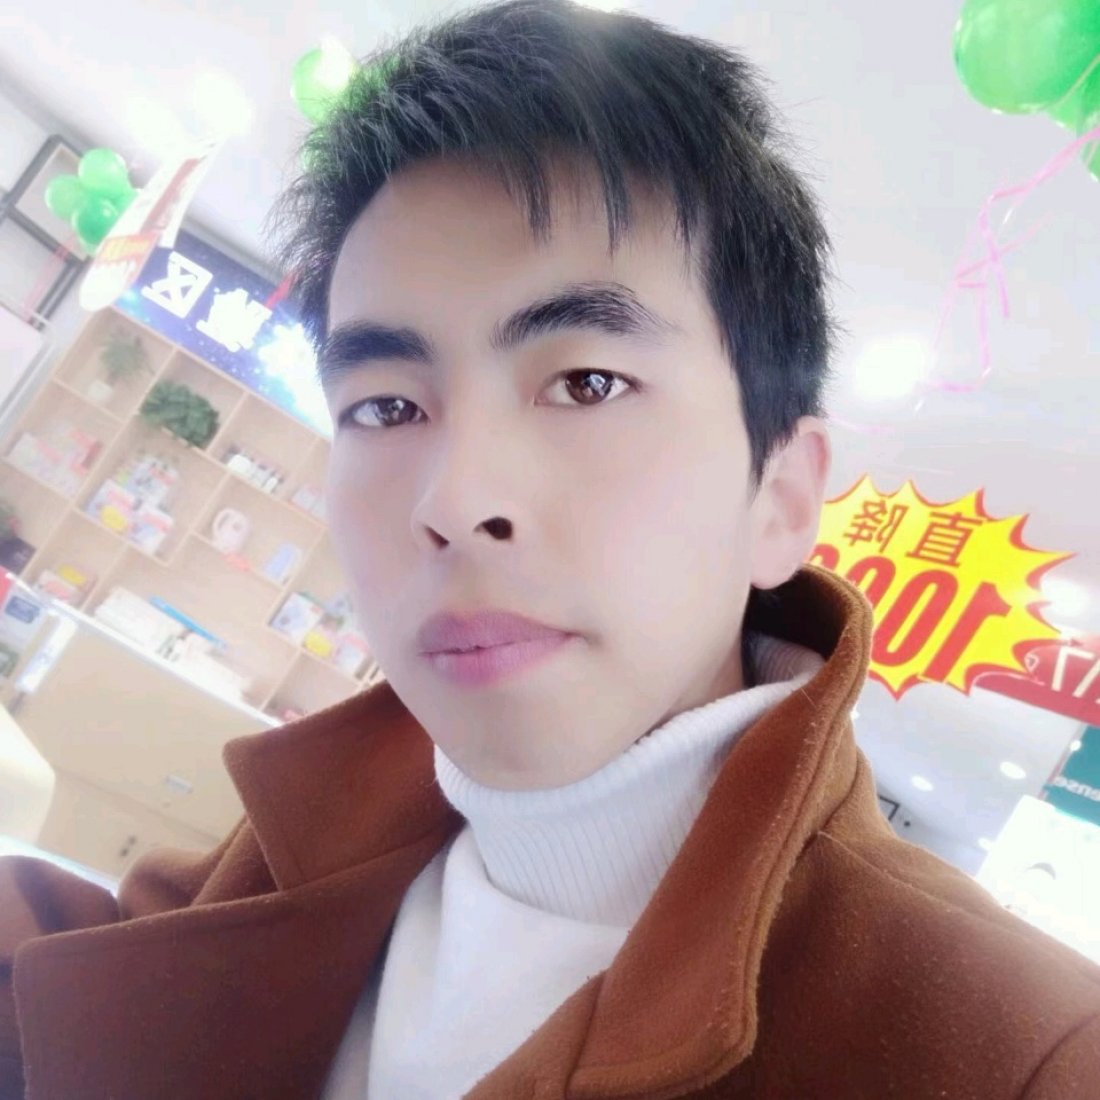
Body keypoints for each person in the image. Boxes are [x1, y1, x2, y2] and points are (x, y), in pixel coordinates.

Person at [2, 1, 1099, 1096]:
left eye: (587, 383)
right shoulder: (323, 830)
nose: (454, 498)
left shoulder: (1016, 1054)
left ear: (780, 499)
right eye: (385, 406)